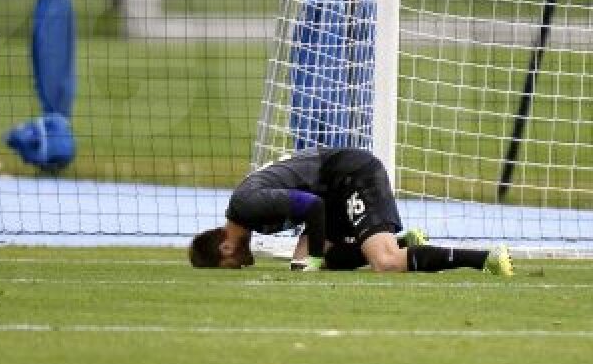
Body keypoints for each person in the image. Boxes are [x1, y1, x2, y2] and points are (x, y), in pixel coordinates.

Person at [187, 147, 514, 275]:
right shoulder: (246, 213)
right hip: (333, 193)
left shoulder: (246, 205)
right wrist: (312, 256)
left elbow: (312, 206)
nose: (238, 266)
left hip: (351, 176)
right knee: (301, 267)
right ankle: (401, 241)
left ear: (225, 247)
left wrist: (314, 256)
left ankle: (486, 258)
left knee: (384, 264)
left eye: (229, 265)